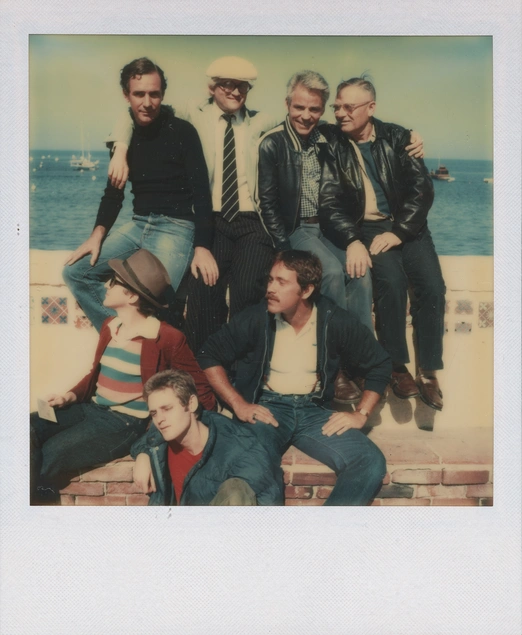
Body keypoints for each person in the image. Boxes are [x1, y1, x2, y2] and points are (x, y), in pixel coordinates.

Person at [256, 70, 423, 404]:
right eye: (299, 107)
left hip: (328, 227)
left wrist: (411, 136)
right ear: (288, 104)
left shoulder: (326, 137)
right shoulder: (273, 142)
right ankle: (336, 368)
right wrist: (284, 250)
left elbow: (370, 127)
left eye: (315, 109)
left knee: (358, 273)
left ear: (322, 111)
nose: (306, 116)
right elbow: (267, 203)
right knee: (330, 274)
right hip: (297, 229)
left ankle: (361, 358)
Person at [107, 56, 279, 354]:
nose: (236, 92)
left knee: (248, 292)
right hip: (210, 220)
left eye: (243, 87)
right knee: (202, 296)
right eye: (228, 85)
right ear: (212, 87)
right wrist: (120, 148)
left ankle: (242, 372)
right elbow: (135, 112)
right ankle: (203, 374)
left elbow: (303, 120)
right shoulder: (191, 113)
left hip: (252, 220)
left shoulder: (261, 120)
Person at [197, 250, 392, 506]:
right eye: (270, 280)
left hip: (314, 412)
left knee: (369, 461)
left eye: (282, 282)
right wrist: (238, 404)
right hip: (267, 410)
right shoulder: (257, 317)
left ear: (307, 290)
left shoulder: (334, 320)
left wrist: (361, 413)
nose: (271, 288)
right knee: (254, 467)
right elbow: (208, 355)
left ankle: (323, 538)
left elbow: (380, 363)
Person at [31, 250, 216, 505]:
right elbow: (95, 374)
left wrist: (210, 430)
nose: (107, 285)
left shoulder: (165, 337)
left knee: (52, 453)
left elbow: (200, 387)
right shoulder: (110, 326)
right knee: (26, 426)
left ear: (131, 296)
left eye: (114, 282)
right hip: (89, 408)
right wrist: (69, 395)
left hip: (124, 424)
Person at [63, 57, 217, 332]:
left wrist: (202, 246)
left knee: (155, 299)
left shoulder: (183, 132)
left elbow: (202, 195)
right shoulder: (123, 141)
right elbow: (113, 195)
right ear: (126, 95)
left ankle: (147, 357)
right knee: (76, 273)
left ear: (162, 95)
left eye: (154, 94)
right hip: (137, 225)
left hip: (176, 228)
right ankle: (118, 336)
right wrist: (97, 235)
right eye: (139, 94)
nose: (147, 102)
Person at [322, 76, 446, 410]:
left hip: (408, 228)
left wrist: (400, 231)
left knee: (432, 288)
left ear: (371, 108)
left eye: (349, 107)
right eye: (337, 106)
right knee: (390, 282)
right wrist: (352, 239)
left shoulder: (398, 136)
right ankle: (396, 365)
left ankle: (429, 372)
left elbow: (422, 190)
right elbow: (330, 201)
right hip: (369, 229)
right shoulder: (330, 140)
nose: (341, 114)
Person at [130, 370, 284, 506]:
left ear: (191, 404)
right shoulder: (165, 437)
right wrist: (143, 454)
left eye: (167, 409)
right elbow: (151, 434)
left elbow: (268, 499)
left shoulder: (239, 449)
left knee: (235, 490)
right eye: (154, 413)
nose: (160, 420)